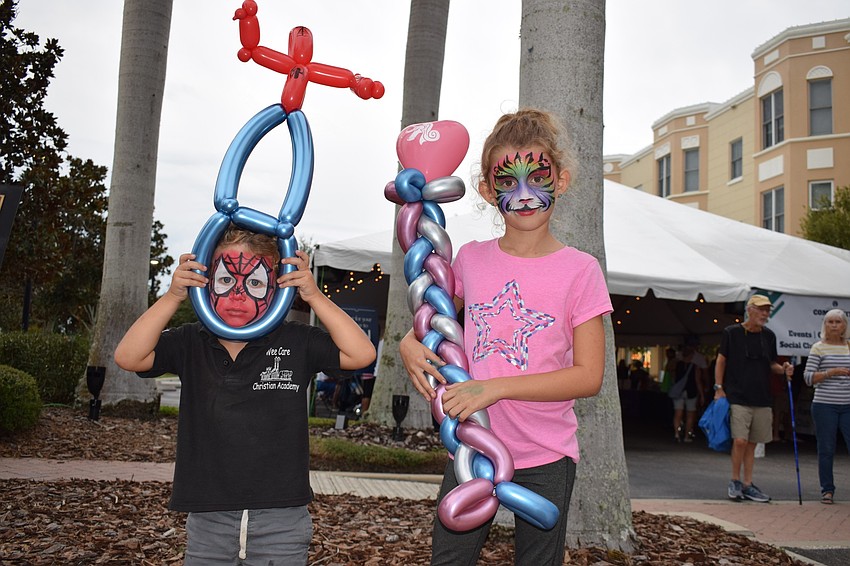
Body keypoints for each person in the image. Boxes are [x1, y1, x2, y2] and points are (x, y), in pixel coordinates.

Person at [399, 108, 611, 565]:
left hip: (547, 456)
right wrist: (407, 343)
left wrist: (492, 388)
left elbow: (589, 376)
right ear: (486, 189)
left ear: (564, 179)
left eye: (539, 177)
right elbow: (431, 315)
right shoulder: (471, 260)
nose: (525, 194)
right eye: (507, 181)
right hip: (472, 448)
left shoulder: (581, 270)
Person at [114, 224, 376, 565]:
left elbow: (362, 354)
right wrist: (172, 296)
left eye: (255, 283)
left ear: (277, 287)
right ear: (206, 282)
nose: (239, 295)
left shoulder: (296, 341)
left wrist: (314, 295)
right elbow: (128, 357)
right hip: (209, 517)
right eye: (225, 280)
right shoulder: (192, 341)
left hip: (281, 519)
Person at [714, 294, 793, 503]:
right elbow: (721, 361)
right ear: (749, 310)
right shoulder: (731, 332)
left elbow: (772, 364)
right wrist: (719, 387)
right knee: (740, 440)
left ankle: (748, 484)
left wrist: (783, 369)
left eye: (767, 310)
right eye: (761, 309)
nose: (765, 314)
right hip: (738, 395)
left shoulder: (769, 336)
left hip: (762, 396)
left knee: (752, 444)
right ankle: (734, 480)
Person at [803, 309, 850, 505]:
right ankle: (827, 490)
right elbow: (807, 378)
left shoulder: (849, 347)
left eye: (837, 322)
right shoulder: (818, 348)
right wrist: (831, 372)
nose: (833, 325)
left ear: (844, 326)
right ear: (824, 325)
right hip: (824, 405)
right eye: (829, 321)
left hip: (848, 404)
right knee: (826, 448)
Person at [670, 342, 705, 443]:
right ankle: (686, 436)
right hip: (691, 391)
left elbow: (671, 376)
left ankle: (676, 434)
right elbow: (698, 381)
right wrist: (702, 394)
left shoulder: (676, 365)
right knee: (690, 414)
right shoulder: (695, 367)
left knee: (678, 413)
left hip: (678, 392)